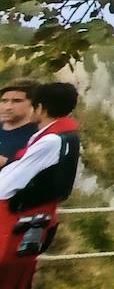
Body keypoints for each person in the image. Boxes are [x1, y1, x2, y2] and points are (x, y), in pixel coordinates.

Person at [0, 82, 81, 289]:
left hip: (15, 219)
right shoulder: (66, 136)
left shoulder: (50, 140)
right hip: (37, 217)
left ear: (40, 108)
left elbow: (9, 184)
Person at [0, 83, 37, 167]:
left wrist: (6, 162)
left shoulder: (37, 135)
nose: (8, 107)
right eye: (4, 101)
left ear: (33, 104)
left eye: (16, 101)